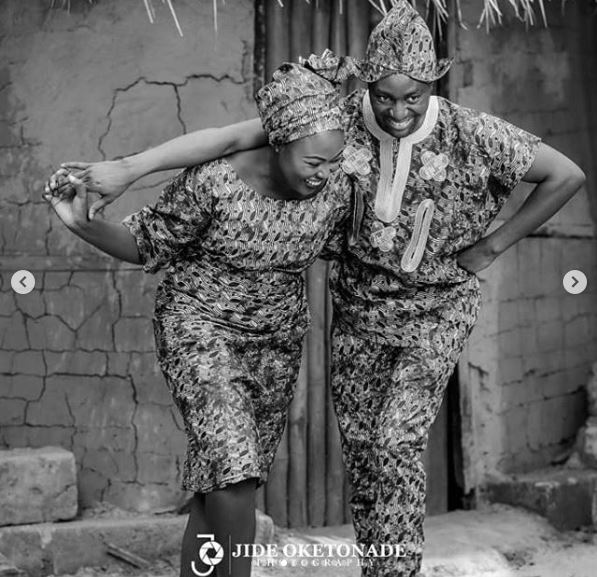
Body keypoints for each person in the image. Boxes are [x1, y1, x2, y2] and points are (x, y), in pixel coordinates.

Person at [48, 3, 586, 576]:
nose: (397, 110)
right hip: (345, 315)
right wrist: (129, 169)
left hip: (420, 314)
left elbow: (565, 174)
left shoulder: (466, 134)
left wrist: (490, 247)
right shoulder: (329, 123)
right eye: (384, 95)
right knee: (320, 463)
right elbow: (229, 141)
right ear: (366, 85)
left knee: (389, 444)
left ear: (434, 83)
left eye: (413, 96)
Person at [45, 61, 350, 577]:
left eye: (333, 161)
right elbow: (147, 242)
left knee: (221, 486)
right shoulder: (214, 182)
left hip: (275, 342)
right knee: (234, 470)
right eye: (314, 161)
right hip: (199, 325)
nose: (323, 173)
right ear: (277, 143)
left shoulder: (336, 190)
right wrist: (80, 223)